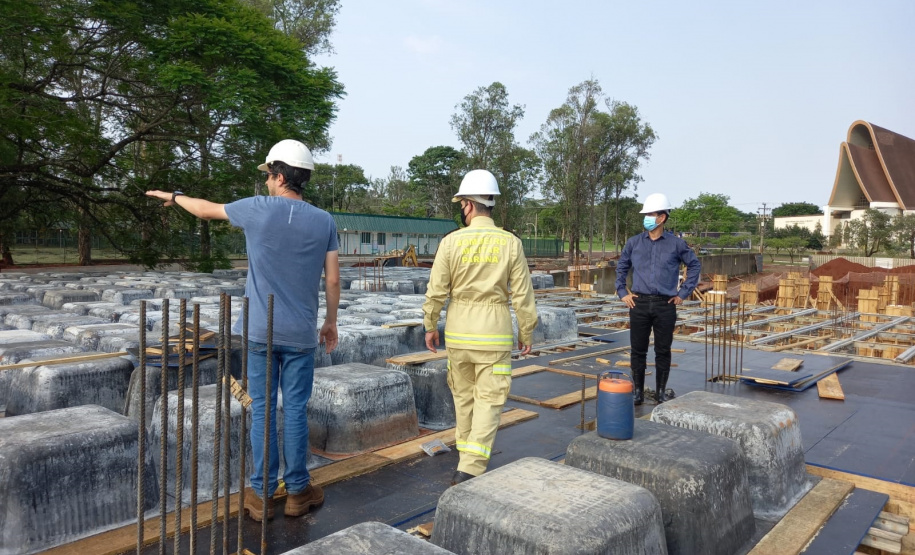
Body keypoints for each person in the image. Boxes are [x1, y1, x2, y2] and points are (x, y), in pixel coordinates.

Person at [145, 139, 340, 521]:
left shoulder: (258, 209)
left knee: (262, 409)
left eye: (269, 175)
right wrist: (330, 322)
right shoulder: (324, 220)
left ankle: (263, 495)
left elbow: (202, 210)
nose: (266, 182)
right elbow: (332, 280)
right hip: (301, 333)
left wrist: (174, 195)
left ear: (280, 175)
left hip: (259, 331)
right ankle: (299, 491)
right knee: (297, 409)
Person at [422, 169, 537, 486]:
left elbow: (436, 291)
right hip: (495, 336)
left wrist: (430, 324)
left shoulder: (450, 243)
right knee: (489, 400)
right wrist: (526, 331)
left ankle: (466, 458)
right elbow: (523, 296)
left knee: (464, 398)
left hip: (458, 335)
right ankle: (471, 466)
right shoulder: (510, 243)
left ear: (468, 204)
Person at [615, 193, 700, 405]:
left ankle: (661, 392)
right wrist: (623, 292)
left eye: (650, 214)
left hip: (665, 305)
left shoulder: (676, 244)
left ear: (662, 217)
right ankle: (638, 393)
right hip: (639, 303)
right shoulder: (634, 243)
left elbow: (695, 265)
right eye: (646, 215)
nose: (647, 218)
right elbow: (622, 267)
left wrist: (683, 293)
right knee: (638, 350)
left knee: (663, 350)